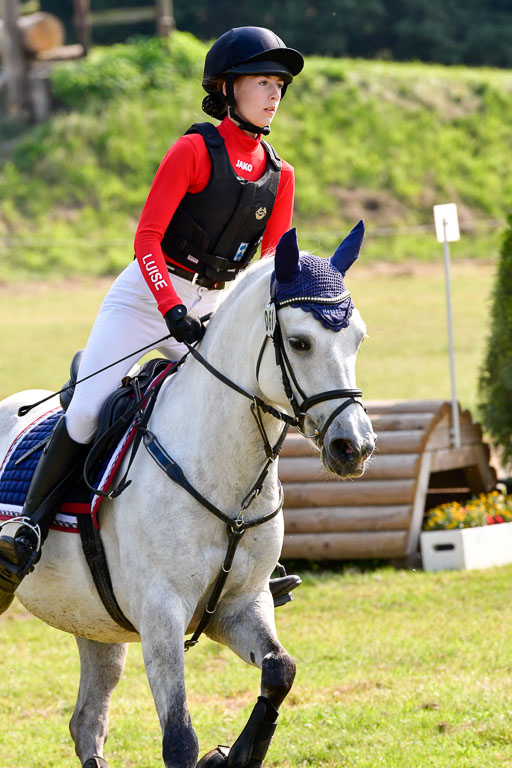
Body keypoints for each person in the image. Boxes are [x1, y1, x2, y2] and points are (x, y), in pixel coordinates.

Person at [0, 26, 304, 608]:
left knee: (253, 406)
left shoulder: (279, 174)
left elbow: (271, 261)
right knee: (88, 408)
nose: (273, 95)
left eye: (279, 85)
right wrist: (170, 308)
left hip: (212, 303)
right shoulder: (193, 150)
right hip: (147, 294)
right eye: (262, 82)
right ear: (228, 87)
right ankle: (28, 529)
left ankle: (257, 554)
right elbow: (147, 238)